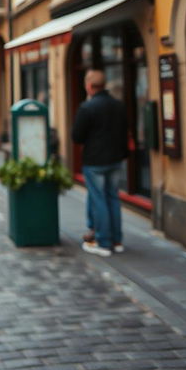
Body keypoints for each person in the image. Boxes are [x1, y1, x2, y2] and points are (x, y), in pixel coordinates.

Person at [72, 69, 128, 257]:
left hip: (95, 161)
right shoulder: (118, 105)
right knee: (113, 197)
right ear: (104, 85)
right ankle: (117, 240)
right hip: (115, 159)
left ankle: (103, 243)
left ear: (88, 86)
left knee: (99, 200)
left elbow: (77, 136)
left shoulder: (87, 108)